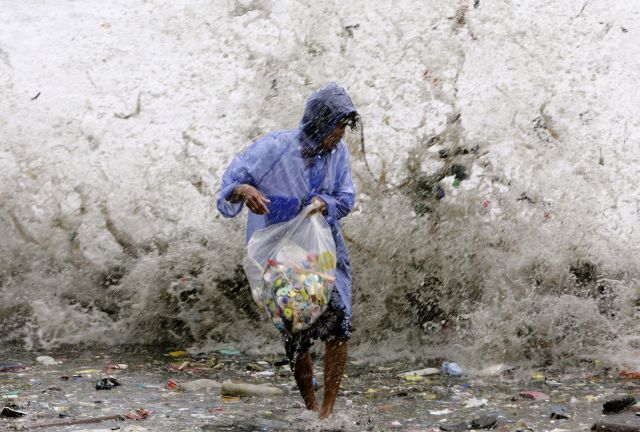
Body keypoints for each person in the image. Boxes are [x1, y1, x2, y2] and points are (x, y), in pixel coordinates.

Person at [216, 82, 359, 419]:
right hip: (280, 254)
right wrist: (244, 189)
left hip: (322, 248)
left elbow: (347, 198)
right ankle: (311, 408)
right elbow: (228, 187)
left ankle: (327, 411)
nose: (341, 133)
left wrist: (322, 203)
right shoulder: (274, 149)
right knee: (296, 329)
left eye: (344, 126)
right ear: (320, 122)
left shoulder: (338, 154)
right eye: (337, 125)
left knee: (339, 323)